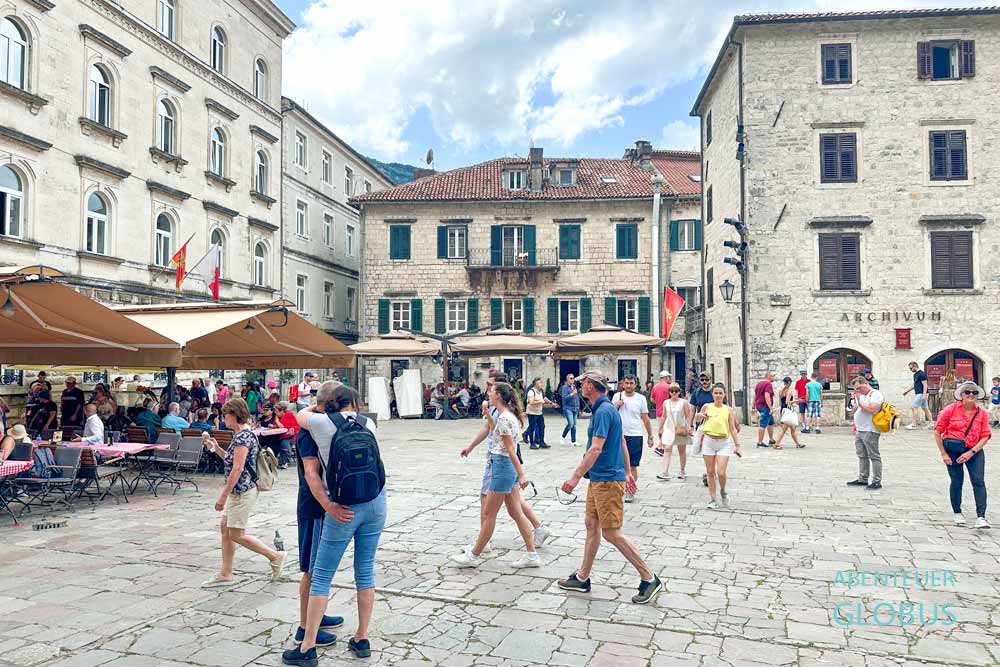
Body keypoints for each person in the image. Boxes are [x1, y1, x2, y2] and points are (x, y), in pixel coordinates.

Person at [289, 384, 386, 662]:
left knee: (321, 576)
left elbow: (301, 414)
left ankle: (307, 647)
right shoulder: (369, 422)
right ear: (354, 402)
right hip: (376, 502)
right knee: (365, 571)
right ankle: (362, 637)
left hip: (342, 507)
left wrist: (329, 506)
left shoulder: (320, 423)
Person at [557, 371, 662, 605]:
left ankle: (649, 577)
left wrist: (574, 477)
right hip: (599, 479)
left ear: (591, 387)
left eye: (583, 383)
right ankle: (582, 577)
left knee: (611, 533)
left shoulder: (604, 411)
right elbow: (622, 441)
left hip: (606, 480)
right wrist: (626, 471)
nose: (580, 385)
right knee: (591, 526)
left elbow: (596, 448)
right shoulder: (606, 409)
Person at [451, 381, 540, 569]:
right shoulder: (505, 416)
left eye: (491, 392)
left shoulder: (504, 418)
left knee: (489, 513)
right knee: (515, 511)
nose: (488, 394)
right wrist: (487, 417)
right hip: (505, 466)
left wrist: (522, 475)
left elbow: (510, 449)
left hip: (501, 466)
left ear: (498, 396)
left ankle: (474, 555)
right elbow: (497, 434)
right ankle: (532, 554)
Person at [202, 398, 285, 588]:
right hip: (240, 490)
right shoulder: (244, 434)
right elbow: (233, 461)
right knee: (225, 528)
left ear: (234, 415)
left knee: (237, 534)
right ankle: (226, 572)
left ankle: (275, 556)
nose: (224, 419)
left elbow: (237, 469)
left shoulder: (242, 437)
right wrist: (216, 449)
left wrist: (223, 496)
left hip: (242, 491)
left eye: (226, 415)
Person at [287, 427, 344, 660]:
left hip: (320, 508)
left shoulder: (319, 428)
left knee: (319, 569)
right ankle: (304, 626)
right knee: (311, 570)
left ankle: (316, 616)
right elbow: (311, 473)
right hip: (313, 508)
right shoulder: (308, 433)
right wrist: (327, 505)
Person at [934, 380, 991, 528]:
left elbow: (985, 435)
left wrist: (971, 452)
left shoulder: (982, 414)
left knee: (978, 481)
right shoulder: (950, 410)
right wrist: (943, 454)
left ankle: (981, 516)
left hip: (974, 450)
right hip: (952, 450)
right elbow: (937, 431)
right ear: (961, 395)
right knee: (957, 481)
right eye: (968, 392)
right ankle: (957, 512)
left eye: (974, 392)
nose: (971, 395)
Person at [693, 382, 741, 509]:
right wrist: (698, 416)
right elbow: (697, 420)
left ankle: (723, 491)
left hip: (724, 442)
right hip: (709, 441)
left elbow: (732, 428)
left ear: (724, 395)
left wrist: (737, 445)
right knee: (710, 471)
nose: (718, 395)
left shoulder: (728, 410)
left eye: (720, 393)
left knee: (721, 472)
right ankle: (713, 499)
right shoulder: (706, 407)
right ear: (712, 394)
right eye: (716, 393)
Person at [612, 375, 653, 503]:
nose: (629, 385)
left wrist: (650, 436)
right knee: (619, 464)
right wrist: (616, 406)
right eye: (627, 383)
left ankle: (630, 490)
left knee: (633, 465)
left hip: (635, 435)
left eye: (631, 383)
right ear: (623, 384)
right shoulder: (616, 396)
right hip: (619, 435)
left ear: (635, 385)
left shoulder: (640, 398)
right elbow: (610, 414)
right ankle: (620, 488)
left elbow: (645, 418)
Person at [846, 376, 885, 491]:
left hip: (870, 430)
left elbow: (872, 409)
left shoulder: (875, 394)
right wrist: (855, 400)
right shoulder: (862, 396)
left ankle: (877, 481)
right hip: (860, 429)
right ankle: (863, 478)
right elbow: (853, 410)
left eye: (859, 388)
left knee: (874, 455)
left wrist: (860, 401)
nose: (858, 391)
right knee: (862, 455)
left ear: (865, 383)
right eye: (856, 389)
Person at [656, 382, 693, 480]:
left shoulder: (683, 402)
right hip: (669, 428)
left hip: (680, 427)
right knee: (667, 448)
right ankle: (665, 472)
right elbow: (664, 416)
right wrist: (660, 427)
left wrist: (689, 426)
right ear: (669, 392)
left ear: (679, 392)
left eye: (676, 391)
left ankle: (682, 470)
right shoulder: (666, 403)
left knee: (681, 450)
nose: (674, 393)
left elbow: (688, 414)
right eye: (672, 391)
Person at [773, 377, 804, 449]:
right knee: (784, 429)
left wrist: (781, 412)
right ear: (789, 382)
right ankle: (776, 444)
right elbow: (787, 402)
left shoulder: (781, 391)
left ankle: (798, 444)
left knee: (793, 429)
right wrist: (797, 401)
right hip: (788, 410)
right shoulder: (789, 391)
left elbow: (781, 402)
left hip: (783, 410)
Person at [903, 361, 932, 430]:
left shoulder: (922, 374)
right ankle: (931, 424)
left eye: (911, 368)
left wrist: (924, 395)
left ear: (915, 366)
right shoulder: (915, 375)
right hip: (919, 393)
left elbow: (925, 385)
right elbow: (914, 384)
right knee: (925, 408)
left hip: (921, 393)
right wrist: (907, 391)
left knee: (914, 407)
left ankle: (914, 424)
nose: (910, 370)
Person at [525, 378, 550, 450]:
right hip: (532, 413)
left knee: (542, 426)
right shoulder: (531, 391)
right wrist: (540, 401)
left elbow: (544, 399)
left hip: (539, 412)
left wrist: (551, 403)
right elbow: (531, 402)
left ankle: (542, 442)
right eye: (539, 383)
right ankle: (532, 443)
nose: (541, 384)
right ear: (535, 384)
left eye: (541, 383)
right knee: (532, 427)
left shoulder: (541, 391)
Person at [754, 371, 776, 448]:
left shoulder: (759, 384)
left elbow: (755, 396)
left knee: (771, 422)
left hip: (759, 405)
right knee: (763, 424)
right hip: (765, 406)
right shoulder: (768, 384)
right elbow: (767, 396)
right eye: (773, 376)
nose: (774, 377)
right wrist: (770, 408)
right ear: (769, 376)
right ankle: (760, 442)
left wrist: (753, 406)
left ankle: (771, 440)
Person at [560, 373, 580, 447]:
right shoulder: (565, 387)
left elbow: (576, 397)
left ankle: (573, 441)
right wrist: (572, 394)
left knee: (574, 425)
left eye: (573, 378)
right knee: (571, 424)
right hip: (568, 408)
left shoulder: (574, 387)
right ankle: (563, 437)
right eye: (571, 378)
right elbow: (564, 398)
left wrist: (578, 406)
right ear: (567, 379)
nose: (572, 380)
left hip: (575, 408)